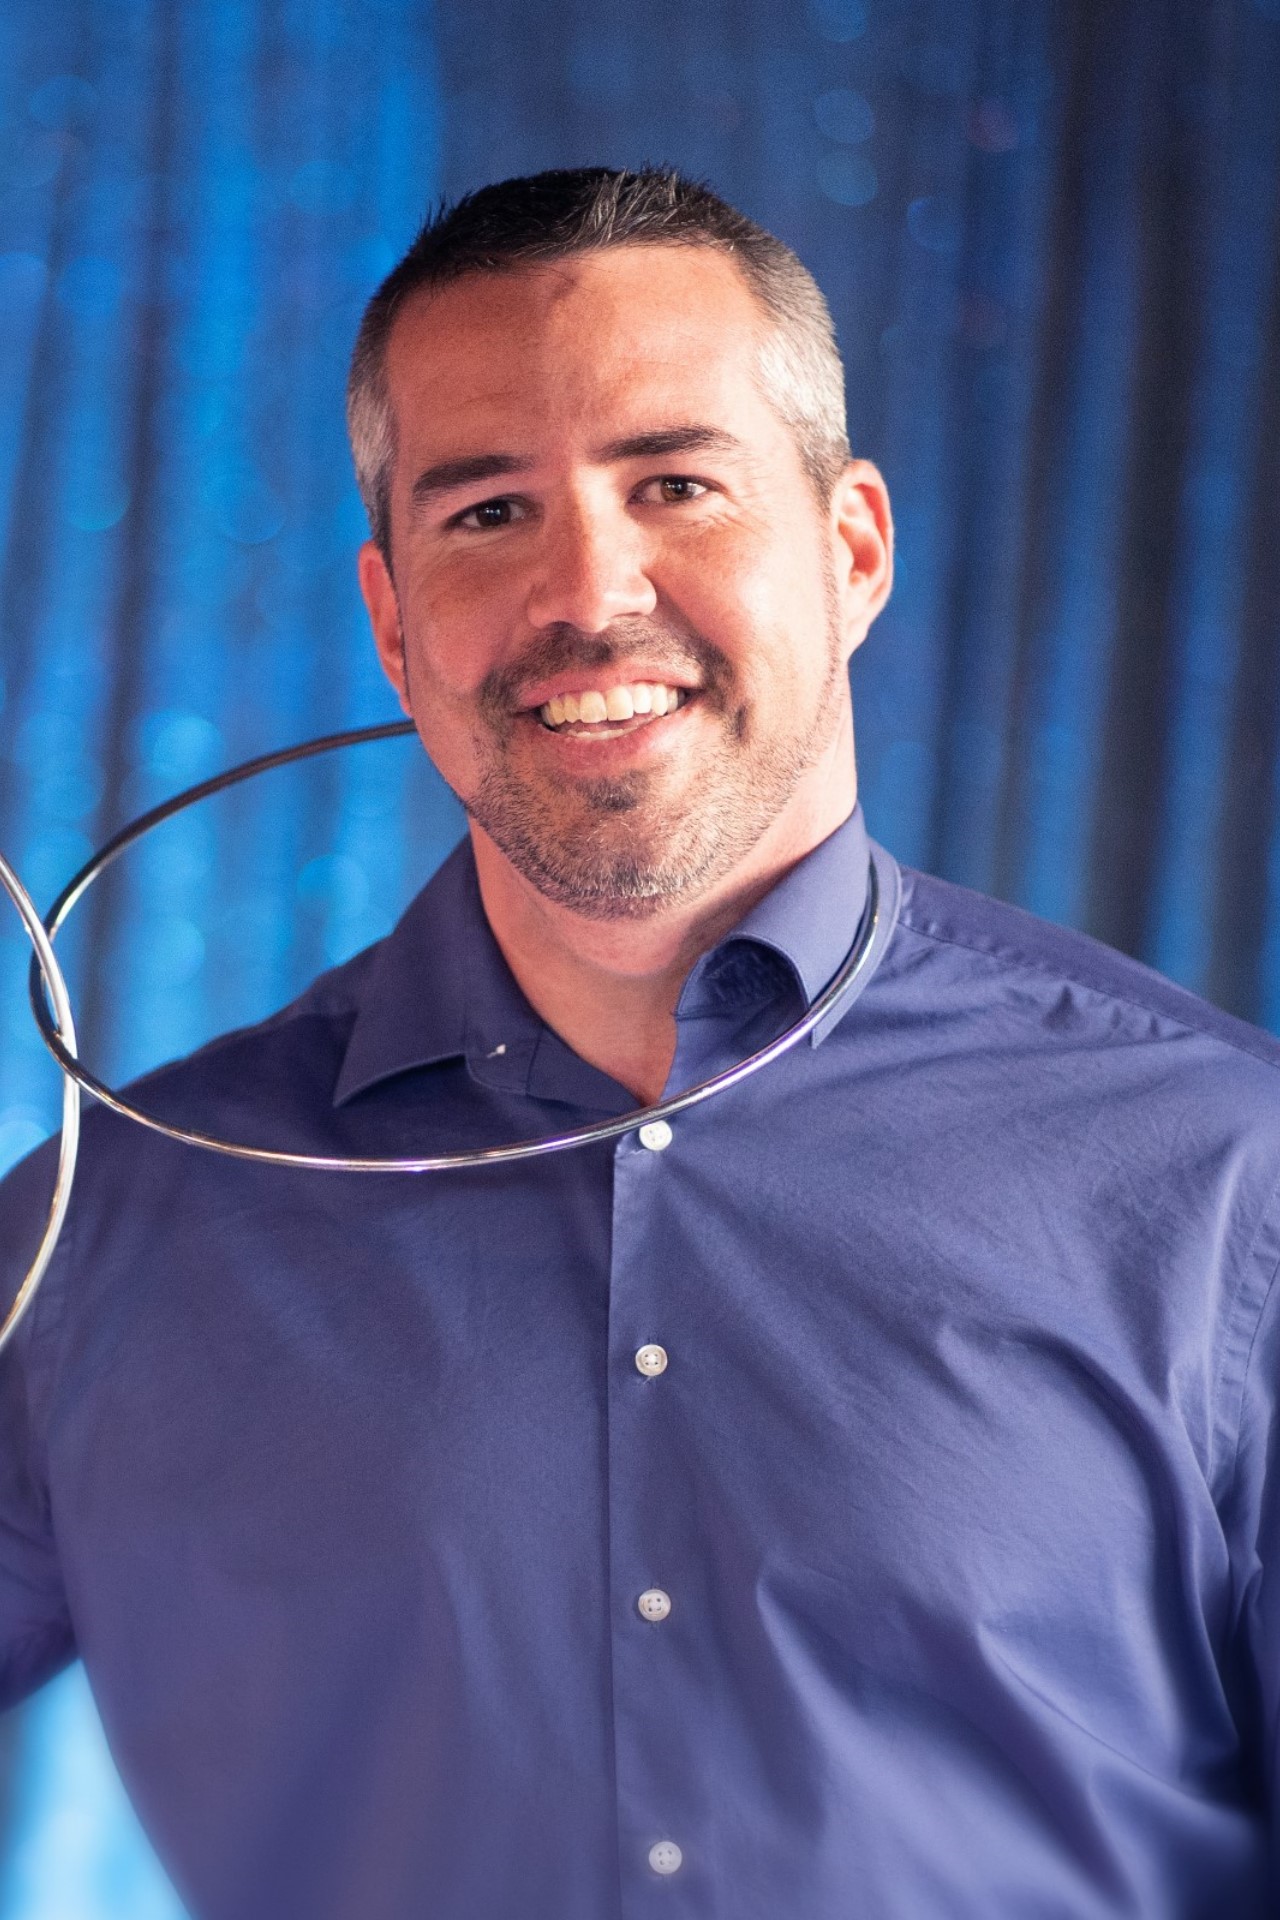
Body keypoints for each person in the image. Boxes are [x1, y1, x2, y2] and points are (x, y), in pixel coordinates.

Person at [2, 165, 1280, 1919]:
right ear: (393, 622)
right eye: (487, 512)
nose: (590, 591)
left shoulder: (1223, 1176)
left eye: (674, 484)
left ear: (852, 550)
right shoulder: (112, 1227)